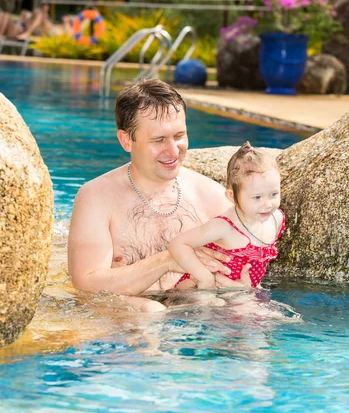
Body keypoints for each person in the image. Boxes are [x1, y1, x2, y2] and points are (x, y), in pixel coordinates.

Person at [68, 79, 249, 312]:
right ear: (126, 140)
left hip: (197, 322)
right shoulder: (97, 198)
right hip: (125, 324)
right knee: (149, 313)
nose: (173, 150)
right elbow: (85, 285)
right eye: (158, 140)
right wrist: (168, 260)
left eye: (179, 135)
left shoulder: (213, 198)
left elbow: (243, 271)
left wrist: (240, 288)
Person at [169, 142, 285, 291]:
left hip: (237, 291)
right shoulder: (225, 227)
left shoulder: (276, 219)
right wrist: (206, 278)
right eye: (257, 197)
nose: (267, 204)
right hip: (198, 290)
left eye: (273, 194)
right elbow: (178, 244)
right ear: (232, 196)